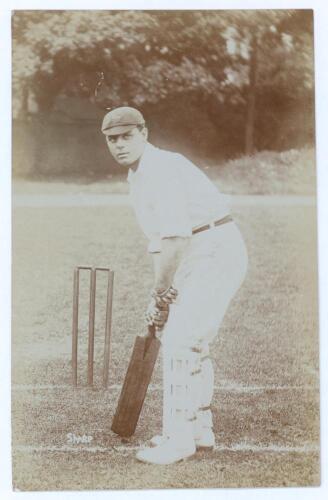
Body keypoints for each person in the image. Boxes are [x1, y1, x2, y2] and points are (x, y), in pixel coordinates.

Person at [101, 106, 248, 465]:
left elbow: (177, 237)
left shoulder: (162, 169)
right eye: (112, 139)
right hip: (196, 252)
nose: (119, 145)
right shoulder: (137, 177)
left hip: (214, 248)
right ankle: (199, 429)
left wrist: (161, 291)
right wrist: (161, 296)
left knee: (182, 340)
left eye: (126, 137)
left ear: (144, 133)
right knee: (187, 339)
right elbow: (160, 241)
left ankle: (178, 440)